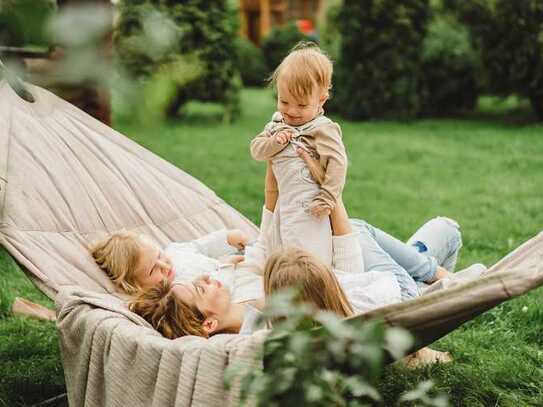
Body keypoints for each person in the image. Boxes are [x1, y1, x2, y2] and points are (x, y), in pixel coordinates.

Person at [250, 42, 346, 267]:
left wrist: (328, 197)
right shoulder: (276, 124)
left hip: (311, 209)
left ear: (321, 99)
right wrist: (274, 142)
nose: (291, 111)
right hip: (284, 208)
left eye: (302, 105)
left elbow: (337, 163)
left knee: (310, 257)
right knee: (279, 252)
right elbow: (256, 150)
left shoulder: (322, 128)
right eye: (284, 101)